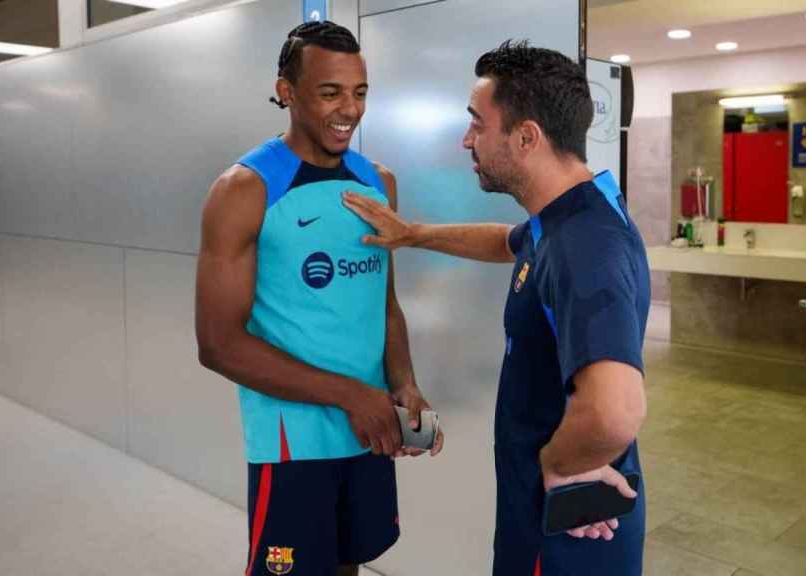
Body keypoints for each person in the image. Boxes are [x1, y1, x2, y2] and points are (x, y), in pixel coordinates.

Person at [343, 40, 648, 575]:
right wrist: (412, 234)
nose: (467, 140)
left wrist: (554, 466)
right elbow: (506, 242)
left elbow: (614, 413)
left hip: (564, 532)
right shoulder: (564, 217)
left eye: (478, 124)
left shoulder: (585, 247)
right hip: (547, 513)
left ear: (526, 136)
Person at [195, 21, 442, 576]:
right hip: (293, 445)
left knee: (348, 563)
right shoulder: (245, 189)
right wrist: (351, 395)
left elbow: (385, 303)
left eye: (359, 93)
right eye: (330, 92)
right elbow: (218, 344)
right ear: (287, 91)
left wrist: (401, 382)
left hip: (368, 431)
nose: (349, 110)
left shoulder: (378, 182)